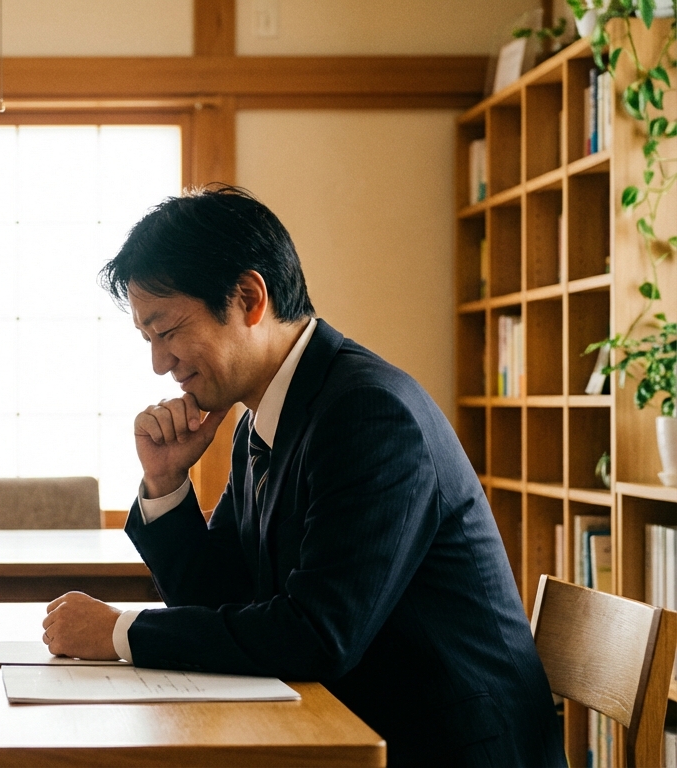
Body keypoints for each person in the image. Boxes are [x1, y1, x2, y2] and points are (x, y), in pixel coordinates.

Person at [40, 186, 565, 767]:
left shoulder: (368, 413)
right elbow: (224, 600)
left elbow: (318, 635)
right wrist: (166, 482)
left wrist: (121, 633)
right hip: (352, 725)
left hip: (447, 751)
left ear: (249, 298)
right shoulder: (263, 419)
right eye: (149, 340)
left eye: (167, 332)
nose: (160, 363)